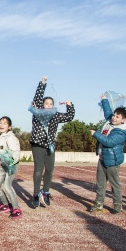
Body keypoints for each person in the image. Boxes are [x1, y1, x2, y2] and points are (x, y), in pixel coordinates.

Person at [29, 75, 75, 208]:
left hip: (50, 146)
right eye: (46, 103)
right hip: (37, 144)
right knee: (38, 169)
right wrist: (43, 83)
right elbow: (37, 97)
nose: (48, 105)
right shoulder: (37, 112)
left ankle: (46, 192)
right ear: (42, 105)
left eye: (51, 104)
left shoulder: (55, 116)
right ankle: (36, 194)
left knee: (49, 170)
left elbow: (69, 116)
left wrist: (70, 106)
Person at [89, 95, 126, 214]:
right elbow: (107, 110)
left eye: (117, 117)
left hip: (112, 161)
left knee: (115, 184)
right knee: (100, 183)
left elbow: (109, 142)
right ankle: (99, 203)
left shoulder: (121, 132)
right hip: (102, 158)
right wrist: (104, 99)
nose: (114, 117)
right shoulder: (110, 120)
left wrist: (96, 134)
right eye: (114, 115)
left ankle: (118, 205)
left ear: (123, 120)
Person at [0, 116, 22, 219]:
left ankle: (16, 209)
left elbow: (16, 153)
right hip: (3, 165)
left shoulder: (11, 138)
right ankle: (6, 205)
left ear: (9, 127)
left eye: (4, 123)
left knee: (7, 186)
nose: (1, 125)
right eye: (0, 122)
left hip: (11, 165)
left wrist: (11, 161)